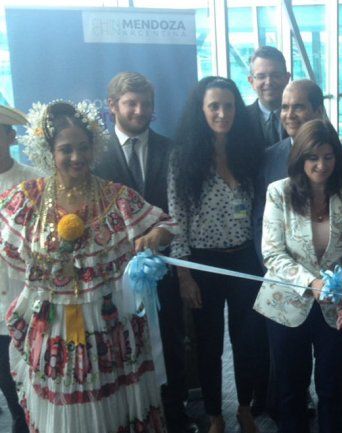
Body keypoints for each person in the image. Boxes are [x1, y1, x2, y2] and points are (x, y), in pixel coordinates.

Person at [0, 100, 176, 433]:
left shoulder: (116, 197)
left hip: (107, 325)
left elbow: (168, 225)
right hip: (53, 328)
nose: (76, 157)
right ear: (48, 151)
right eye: (66, 149)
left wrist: (154, 237)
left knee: (113, 410)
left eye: (83, 147)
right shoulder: (27, 198)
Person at [93, 71, 197, 433]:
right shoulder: (93, 155)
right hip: (113, 275)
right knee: (121, 346)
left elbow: (183, 210)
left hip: (164, 268)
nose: (140, 111)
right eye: (131, 103)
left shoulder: (173, 151)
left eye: (146, 103)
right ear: (112, 106)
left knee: (170, 342)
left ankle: (175, 414)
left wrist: (165, 240)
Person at [253, 119, 342, 433]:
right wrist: (312, 283)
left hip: (337, 305)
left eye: (328, 157)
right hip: (286, 304)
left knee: (335, 386)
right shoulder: (278, 193)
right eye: (313, 157)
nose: (321, 165)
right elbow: (272, 254)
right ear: (300, 157)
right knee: (290, 388)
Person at [167, 77, 266, 433]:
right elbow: (176, 218)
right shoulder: (183, 158)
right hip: (202, 264)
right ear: (201, 110)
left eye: (229, 106)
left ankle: (244, 407)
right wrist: (183, 274)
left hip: (244, 262)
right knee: (209, 345)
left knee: (248, 340)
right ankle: (214, 413)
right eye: (214, 106)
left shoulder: (249, 151)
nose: (222, 113)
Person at [0, 103, 39, 433]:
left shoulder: (36, 181)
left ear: (10, 136)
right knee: (14, 405)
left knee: (40, 398)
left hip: (31, 308)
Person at [264, 80, 342, 185]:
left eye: (298, 107)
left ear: (319, 112)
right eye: (285, 107)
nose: (289, 115)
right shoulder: (270, 157)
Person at [247, 46, 291, 146]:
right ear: (251, 81)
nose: (269, 82)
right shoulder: (240, 118)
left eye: (276, 75)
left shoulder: (303, 117)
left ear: (287, 78)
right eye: (261, 76)